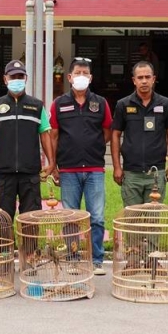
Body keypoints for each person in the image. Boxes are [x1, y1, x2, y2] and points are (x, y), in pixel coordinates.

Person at [0, 60, 55, 271]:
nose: (16, 80)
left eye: (20, 77)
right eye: (12, 77)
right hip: (3, 172)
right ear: (5, 79)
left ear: (26, 79)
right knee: (4, 219)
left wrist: (51, 162)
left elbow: (45, 134)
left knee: (31, 218)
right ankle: (4, 261)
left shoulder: (36, 106)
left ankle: (30, 259)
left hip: (30, 172)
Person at [50, 57, 112, 276]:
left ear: (91, 77)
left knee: (97, 217)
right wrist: (53, 165)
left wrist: (93, 146)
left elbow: (107, 132)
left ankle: (96, 260)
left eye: (85, 73)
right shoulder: (58, 104)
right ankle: (73, 258)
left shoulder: (101, 103)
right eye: (78, 73)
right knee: (71, 217)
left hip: (94, 169)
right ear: (69, 77)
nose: (81, 77)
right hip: (68, 169)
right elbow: (53, 136)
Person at [111, 60, 168, 205]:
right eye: (140, 77)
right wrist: (117, 167)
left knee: (152, 217)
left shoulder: (166, 104)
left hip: (156, 172)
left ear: (153, 79)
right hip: (131, 173)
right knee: (132, 216)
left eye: (147, 77)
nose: (144, 81)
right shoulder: (123, 105)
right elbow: (115, 135)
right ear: (134, 80)